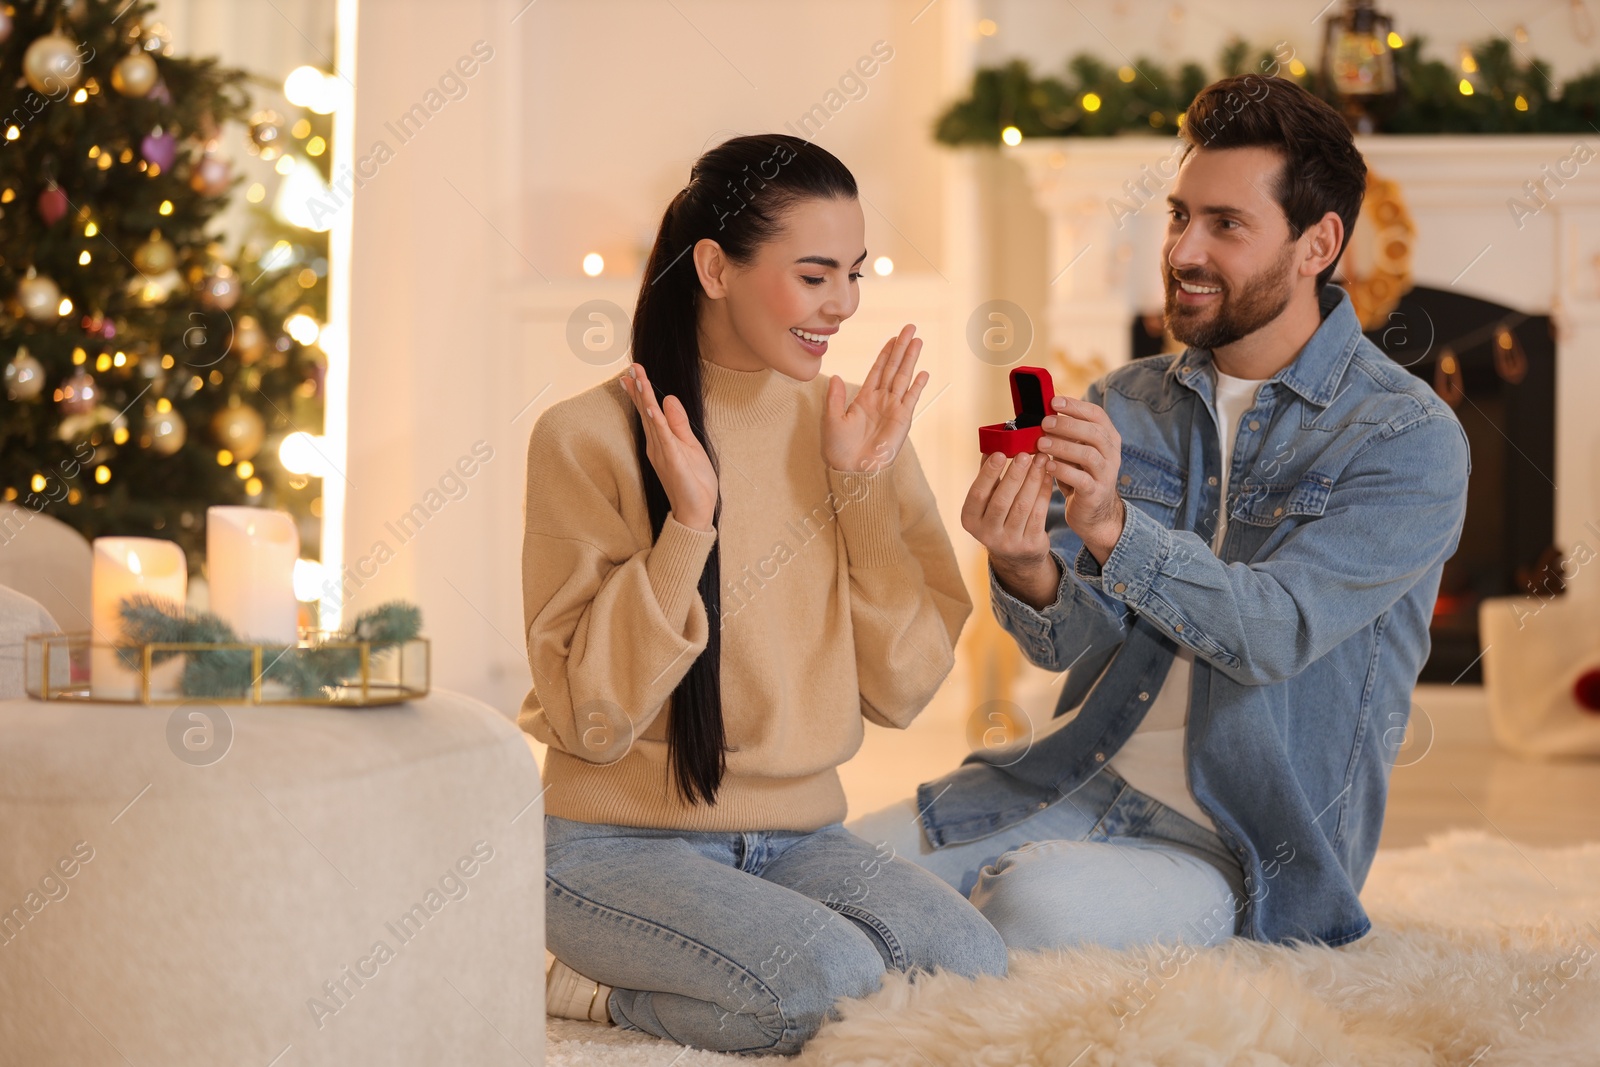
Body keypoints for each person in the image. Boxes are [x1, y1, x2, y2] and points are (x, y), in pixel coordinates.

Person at [851, 74, 1471, 953]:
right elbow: (1064, 645)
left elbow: (1275, 630)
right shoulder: (1129, 400)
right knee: (824, 870)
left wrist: (1112, 528)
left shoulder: (1405, 437)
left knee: (1036, 911)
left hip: (1240, 847)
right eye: (1181, 215)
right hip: (1070, 776)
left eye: (1226, 225)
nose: (1183, 250)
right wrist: (1025, 562)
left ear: (1317, 244)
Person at [519, 133, 1008, 1056]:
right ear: (714, 267)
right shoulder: (583, 437)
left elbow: (903, 686)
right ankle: (592, 993)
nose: (845, 305)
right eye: (815, 275)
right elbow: (592, 716)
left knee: (969, 965)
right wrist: (688, 528)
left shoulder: (853, 429)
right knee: (824, 985)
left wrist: (859, 487)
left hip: (797, 836)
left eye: (855, 275)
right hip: (610, 848)